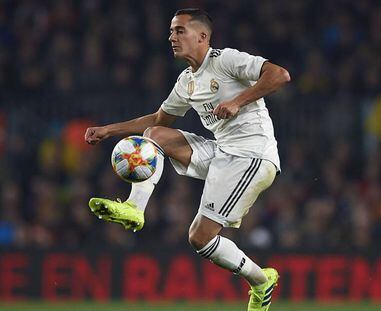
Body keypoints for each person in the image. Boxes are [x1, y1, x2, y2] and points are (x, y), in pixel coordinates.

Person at [84, 8, 290, 311]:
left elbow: (280, 75)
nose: (172, 37)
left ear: (202, 36)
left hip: (252, 155)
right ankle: (134, 208)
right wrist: (108, 130)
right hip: (223, 152)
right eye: (171, 31)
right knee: (155, 133)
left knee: (200, 237)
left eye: (180, 31)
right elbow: (158, 118)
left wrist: (236, 101)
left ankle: (261, 282)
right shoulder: (186, 81)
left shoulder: (226, 60)